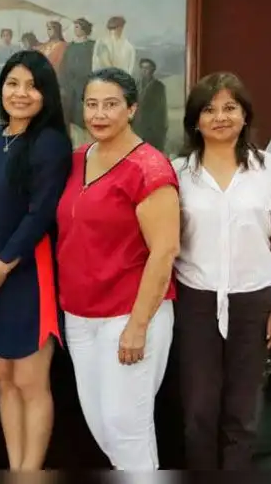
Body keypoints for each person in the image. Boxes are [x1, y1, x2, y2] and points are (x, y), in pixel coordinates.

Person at [54, 67, 181, 470]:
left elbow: (165, 251)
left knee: (125, 426)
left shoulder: (149, 168)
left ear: (132, 109)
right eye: (92, 104)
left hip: (130, 315)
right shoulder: (75, 161)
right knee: (104, 427)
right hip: (80, 315)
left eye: (111, 105)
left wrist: (138, 326)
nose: (99, 114)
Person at [171, 72, 271, 470]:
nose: (220, 117)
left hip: (253, 300)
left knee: (242, 414)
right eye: (209, 109)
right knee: (198, 412)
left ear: (245, 115)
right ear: (195, 120)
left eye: (230, 108)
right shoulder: (177, 173)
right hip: (195, 300)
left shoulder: (267, 168)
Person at [0, 49, 73, 470]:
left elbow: (40, 214)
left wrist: (4, 263)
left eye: (32, 86)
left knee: (30, 382)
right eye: (13, 83)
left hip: (28, 274)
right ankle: (16, 470)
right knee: (3, 381)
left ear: (46, 94)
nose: (21, 93)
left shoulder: (50, 143)